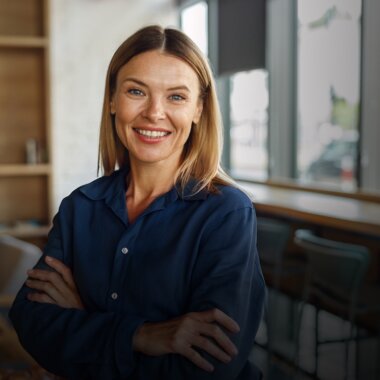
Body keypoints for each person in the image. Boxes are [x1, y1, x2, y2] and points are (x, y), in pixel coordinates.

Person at [9, 25, 265, 379]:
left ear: (198, 109)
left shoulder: (226, 213)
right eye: (136, 91)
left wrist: (84, 323)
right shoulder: (80, 208)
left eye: (176, 96)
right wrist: (140, 336)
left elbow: (208, 369)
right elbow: (31, 323)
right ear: (113, 100)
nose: (154, 113)